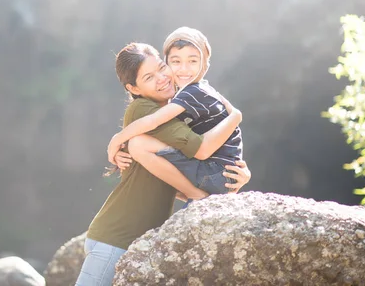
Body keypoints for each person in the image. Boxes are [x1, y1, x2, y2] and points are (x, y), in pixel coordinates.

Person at [75, 42, 250, 286]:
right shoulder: (144, 110)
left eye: (161, 68)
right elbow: (201, 149)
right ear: (133, 88)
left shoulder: (177, 109)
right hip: (116, 238)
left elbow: (175, 176)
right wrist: (236, 117)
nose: (162, 78)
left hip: (134, 241)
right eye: (149, 77)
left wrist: (238, 175)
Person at [107, 27, 242, 195]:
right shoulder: (201, 90)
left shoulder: (192, 93)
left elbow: (154, 120)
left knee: (139, 144)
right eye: (176, 62)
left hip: (216, 173)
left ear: (204, 65)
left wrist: (118, 139)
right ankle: (196, 197)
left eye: (192, 61)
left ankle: (196, 196)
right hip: (223, 175)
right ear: (167, 62)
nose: (183, 69)